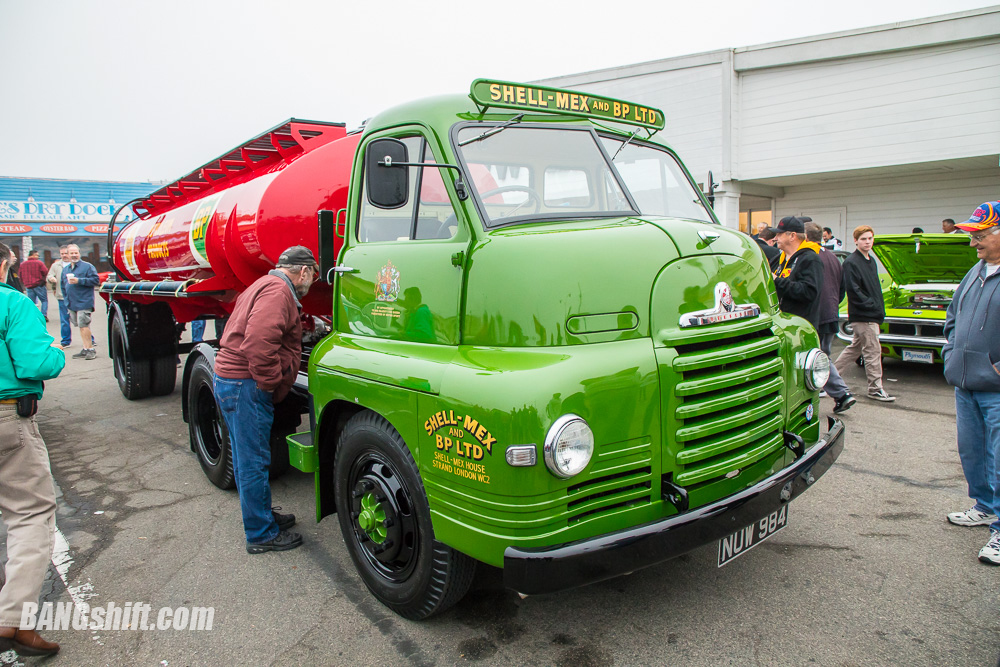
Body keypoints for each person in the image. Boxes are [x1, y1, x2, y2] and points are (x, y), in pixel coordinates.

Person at [214, 246, 317, 553]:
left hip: (236, 382)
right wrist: (270, 382)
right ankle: (261, 534)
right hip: (245, 385)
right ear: (304, 271)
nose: (311, 282)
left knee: (252, 457)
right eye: (312, 274)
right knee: (253, 461)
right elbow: (259, 342)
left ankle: (262, 515)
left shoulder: (264, 283)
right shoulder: (278, 293)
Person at [0, 242, 65, 656]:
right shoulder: (12, 303)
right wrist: (56, 353)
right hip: (7, 420)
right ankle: (13, 622)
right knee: (29, 515)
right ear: (4, 263)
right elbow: (37, 364)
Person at [941, 201, 1000, 564]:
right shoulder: (975, 271)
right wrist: (951, 351)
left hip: (995, 388)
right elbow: (952, 316)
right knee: (973, 451)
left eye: (981, 234)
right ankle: (986, 507)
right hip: (966, 383)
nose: (973, 241)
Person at [835, 226, 896, 402]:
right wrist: (871, 306)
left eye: (870, 238)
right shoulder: (851, 262)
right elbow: (853, 290)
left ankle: (827, 377)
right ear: (855, 241)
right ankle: (875, 388)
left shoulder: (871, 260)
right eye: (863, 239)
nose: (867, 242)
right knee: (873, 351)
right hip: (863, 315)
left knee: (854, 349)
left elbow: (874, 287)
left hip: (871, 314)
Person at [806, 223, 855, 413]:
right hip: (830, 313)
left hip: (817, 315)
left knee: (818, 358)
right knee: (823, 356)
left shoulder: (810, 258)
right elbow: (842, 288)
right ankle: (842, 394)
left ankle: (842, 394)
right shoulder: (834, 258)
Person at [771, 216, 824, 328]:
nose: (775, 238)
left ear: (792, 236)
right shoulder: (778, 259)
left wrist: (777, 280)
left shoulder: (810, 259)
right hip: (781, 324)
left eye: (780, 234)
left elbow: (809, 292)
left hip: (801, 327)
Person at [61, 244, 99, 360]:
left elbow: (95, 280)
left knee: (84, 325)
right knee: (80, 326)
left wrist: (79, 280)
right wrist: (66, 301)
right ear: (67, 254)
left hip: (84, 301)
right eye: (71, 253)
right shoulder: (66, 270)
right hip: (72, 303)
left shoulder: (87, 267)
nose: (74, 255)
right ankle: (85, 348)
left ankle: (90, 349)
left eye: (75, 253)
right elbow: (63, 286)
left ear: (79, 253)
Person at [46, 246, 72, 348]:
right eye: (62, 254)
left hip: (76, 296)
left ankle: (90, 340)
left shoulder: (76, 264)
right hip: (62, 296)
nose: (64, 255)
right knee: (64, 319)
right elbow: (49, 276)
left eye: (66, 253)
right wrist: (51, 278)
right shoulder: (56, 265)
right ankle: (66, 340)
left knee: (82, 319)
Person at [19, 251, 48, 322]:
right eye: (37, 255)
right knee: (44, 300)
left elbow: (20, 275)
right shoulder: (39, 263)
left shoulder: (22, 264)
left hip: (28, 286)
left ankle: (33, 316)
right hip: (39, 285)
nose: (38, 257)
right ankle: (43, 315)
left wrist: (24, 282)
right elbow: (45, 271)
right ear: (33, 255)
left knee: (31, 302)